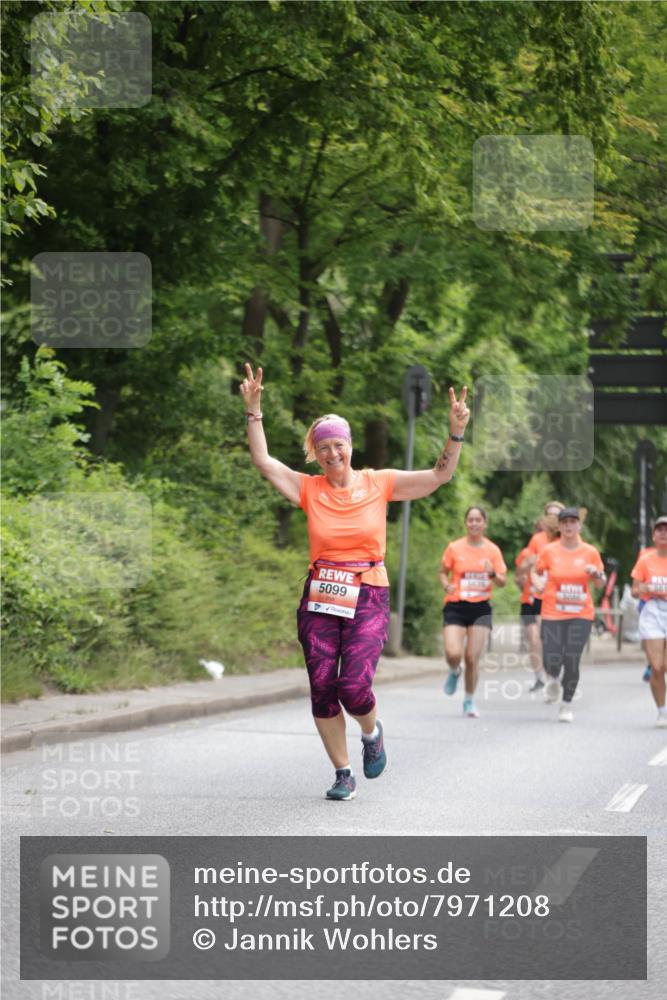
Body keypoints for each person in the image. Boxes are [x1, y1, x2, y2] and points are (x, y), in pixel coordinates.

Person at [239, 363, 470, 800]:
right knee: (323, 687)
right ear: (316, 452)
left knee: (353, 686)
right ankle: (343, 773)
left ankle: (371, 731)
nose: (331, 454)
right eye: (323, 447)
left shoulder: (378, 483)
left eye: (337, 445)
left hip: (368, 591)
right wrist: (254, 410)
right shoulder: (309, 488)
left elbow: (440, 476)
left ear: (350, 445)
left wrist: (455, 432)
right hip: (321, 595)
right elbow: (263, 461)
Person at [532, 507, 606, 723]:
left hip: (581, 613)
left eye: (573, 522)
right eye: (564, 522)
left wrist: (596, 574)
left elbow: (600, 582)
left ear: (579, 525)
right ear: (560, 526)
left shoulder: (590, 552)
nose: (568, 526)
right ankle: (553, 678)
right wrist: (538, 584)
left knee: (572, 659)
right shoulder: (550, 551)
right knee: (551, 659)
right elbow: (536, 573)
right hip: (553, 612)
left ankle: (566, 704)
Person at [440, 506, 507, 718]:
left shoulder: (493, 550)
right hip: (456, 605)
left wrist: (492, 573)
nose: (474, 523)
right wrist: (446, 585)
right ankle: (454, 670)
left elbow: (503, 582)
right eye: (471, 519)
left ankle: (469, 700)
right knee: (453, 653)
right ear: (466, 523)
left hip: (480, 608)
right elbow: (443, 572)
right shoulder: (454, 547)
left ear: (485, 523)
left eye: (478, 519)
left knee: (471, 657)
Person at [515, 503, 564, 692]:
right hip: (533, 596)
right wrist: (527, 569)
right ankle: (540, 677)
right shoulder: (537, 540)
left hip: (558, 597)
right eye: (549, 515)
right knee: (535, 638)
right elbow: (522, 570)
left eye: (557, 515)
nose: (552, 518)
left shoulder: (567, 540)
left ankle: (554, 673)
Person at [631, 516, 667, 728]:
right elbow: (635, 590)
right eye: (659, 529)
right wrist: (644, 589)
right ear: (653, 535)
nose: (664, 533)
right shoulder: (645, 560)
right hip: (653, 611)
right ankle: (662, 711)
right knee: (657, 666)